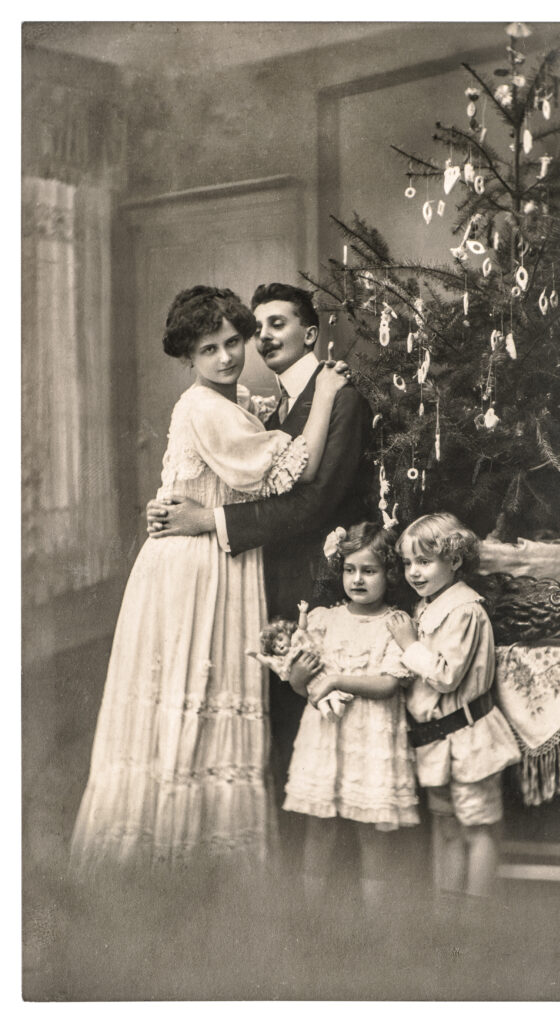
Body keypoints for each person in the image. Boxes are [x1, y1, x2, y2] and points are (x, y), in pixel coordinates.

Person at [70, 285, 348, 874]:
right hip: (196, 568)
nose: (225, 357)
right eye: (207, 350)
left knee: (200, 693)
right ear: (187, 358)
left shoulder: (231, 400)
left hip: (205, 554)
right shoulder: (205, 407)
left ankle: (192, 851)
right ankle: (177, 855)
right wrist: (323, 392)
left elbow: (201, 478)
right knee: (193, 692)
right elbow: (297, 470)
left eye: (232, 342)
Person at [145, 283, 373, 813]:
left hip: (308, 583)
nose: (262, 337)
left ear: (310, 334)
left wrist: (205, 518)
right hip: (249, 580)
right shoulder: (251, 404)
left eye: (279, 324)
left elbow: (313, 503)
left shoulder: (338, 396)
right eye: (260, 325)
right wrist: (172, 504)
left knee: (307, 735)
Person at [282, 522, 419, 914]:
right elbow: (300, 686)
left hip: (370, 738)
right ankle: (310, 917)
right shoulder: (324, 619)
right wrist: (300, 676)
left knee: (371, 830)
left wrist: (339, 679)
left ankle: (374, 923)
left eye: (369, 570)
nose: (357, 579)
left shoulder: (395, 624)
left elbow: (390, 684)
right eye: (350, 570)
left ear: (390, 573)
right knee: (319, 827)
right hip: (326, 738)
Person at [386, 513, 521, 906]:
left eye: (424, 562)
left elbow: (445, 676)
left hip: (469, 737)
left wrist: (409, 644)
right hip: (436, 739)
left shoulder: (464, 610)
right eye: (408, 563)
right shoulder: (428, 606)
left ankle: (475, 920)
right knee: (444, 825)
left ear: (455, 560)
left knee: (477, 826)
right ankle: (446, 917)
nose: (413, 572)